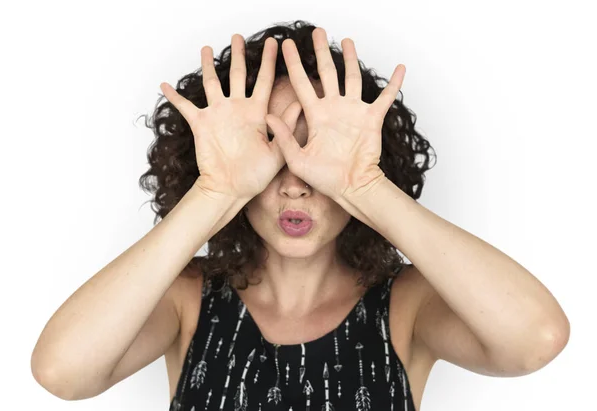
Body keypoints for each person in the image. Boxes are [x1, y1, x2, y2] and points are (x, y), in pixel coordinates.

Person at [30, 20, 570, 411]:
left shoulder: (409, 305)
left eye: (315, 151)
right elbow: (62, 374)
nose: (294, 183)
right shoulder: (187, 299)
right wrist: (217, 190)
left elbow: (535, 339)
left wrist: (363, 184)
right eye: (269, 148)